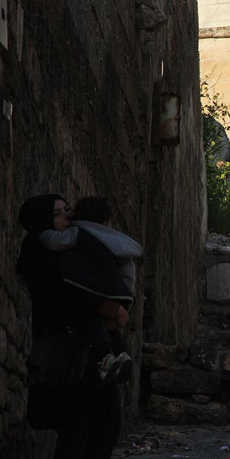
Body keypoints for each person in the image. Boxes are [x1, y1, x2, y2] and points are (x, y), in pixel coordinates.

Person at [17, 194, 121, 457]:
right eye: (58, 213)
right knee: (78, 424)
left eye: (67, 210)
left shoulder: (67, 251)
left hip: (85, 350)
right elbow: (68, 296)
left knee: (102, 423)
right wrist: (110, 309)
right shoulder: (40, 253)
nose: (68, 217)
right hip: (67, 352)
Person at [38, 197, 142, 385]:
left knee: (92, 319)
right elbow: (128, 273)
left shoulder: (78, 232)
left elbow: (56, 242)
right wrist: (129, 297)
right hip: (117, 292)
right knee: (106, 325)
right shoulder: (116, 242)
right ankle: (122, 354)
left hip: (92, 289)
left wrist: (43, 234)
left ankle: (106, 359)